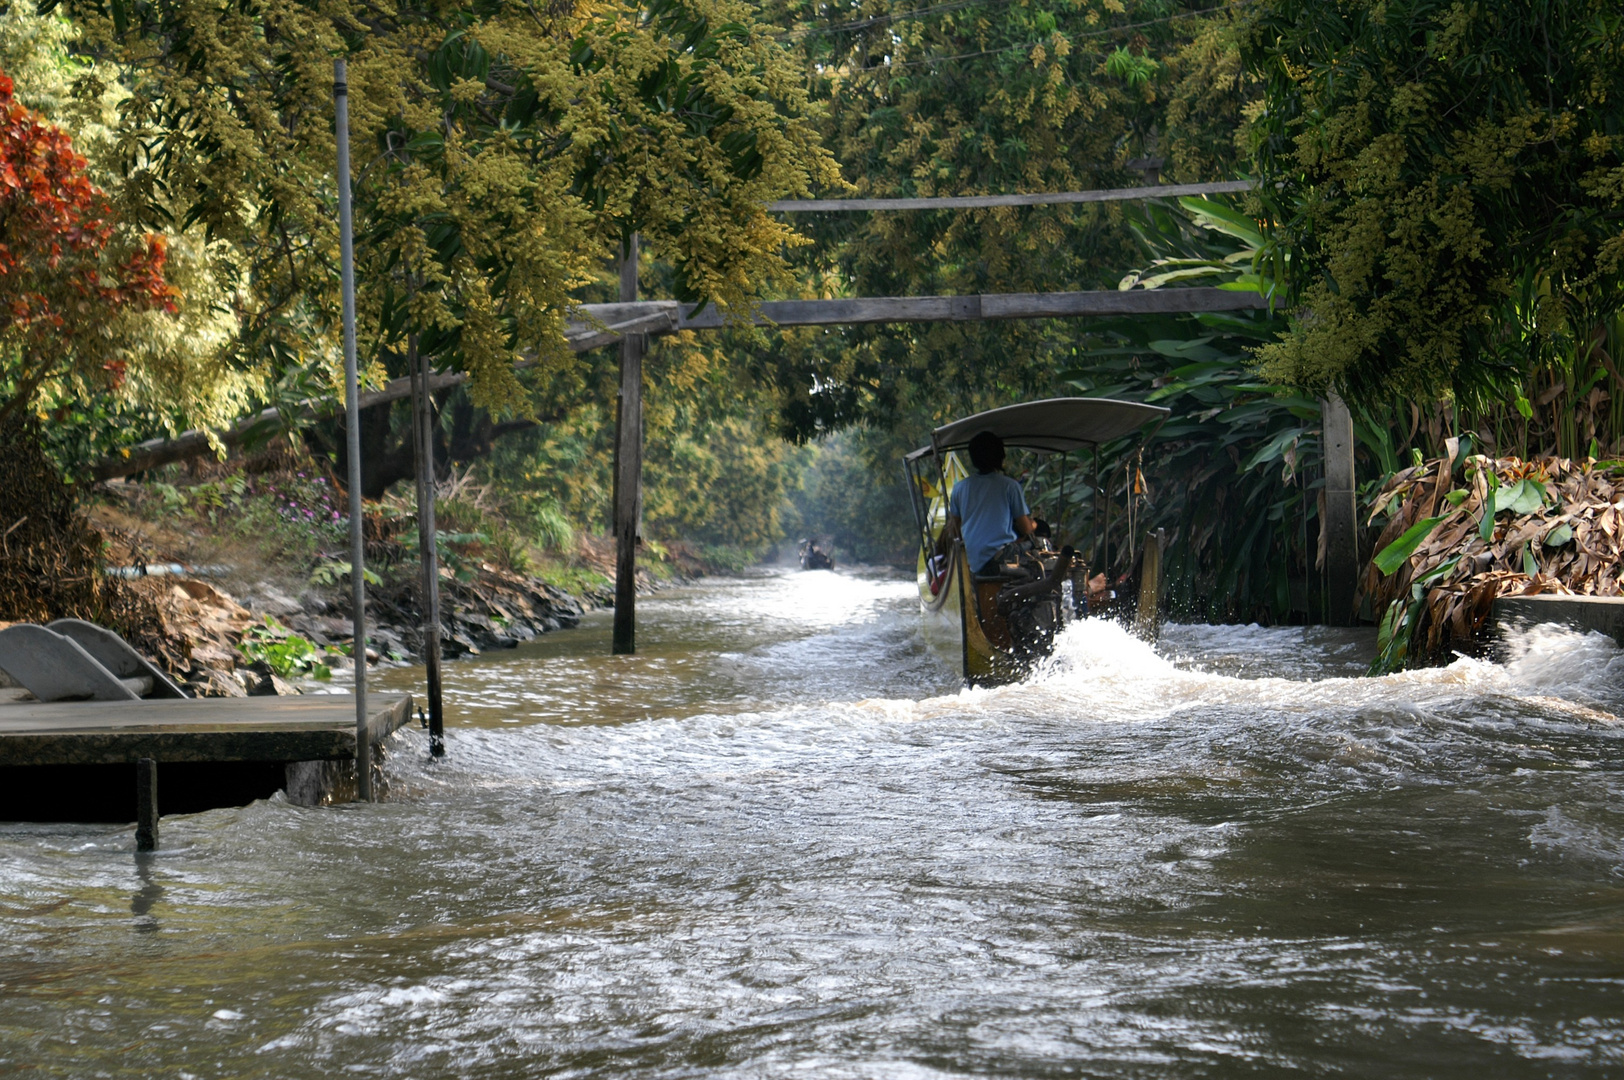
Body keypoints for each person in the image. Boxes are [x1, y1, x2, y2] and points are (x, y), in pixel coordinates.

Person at [941, 430, 1035, 575]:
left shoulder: (959, 488)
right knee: (1036, 547)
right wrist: (1034, 524)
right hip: (1000, 558)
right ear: (1000, 457)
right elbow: (1026, 529)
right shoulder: (1010, 486)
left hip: (974, 560)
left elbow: (954, 529)